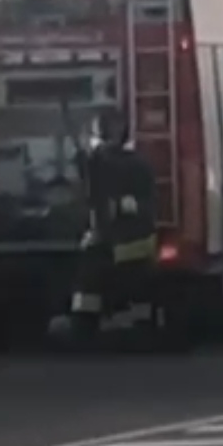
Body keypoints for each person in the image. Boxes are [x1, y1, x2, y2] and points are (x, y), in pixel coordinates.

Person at [68, 108, 159, 337]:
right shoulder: (139, 164)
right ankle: (140, 323)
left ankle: (86, 323)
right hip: (135, 244)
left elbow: (86, 178)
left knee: (90, 279)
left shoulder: (99, 162)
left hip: (110, 241)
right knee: (137, 286)